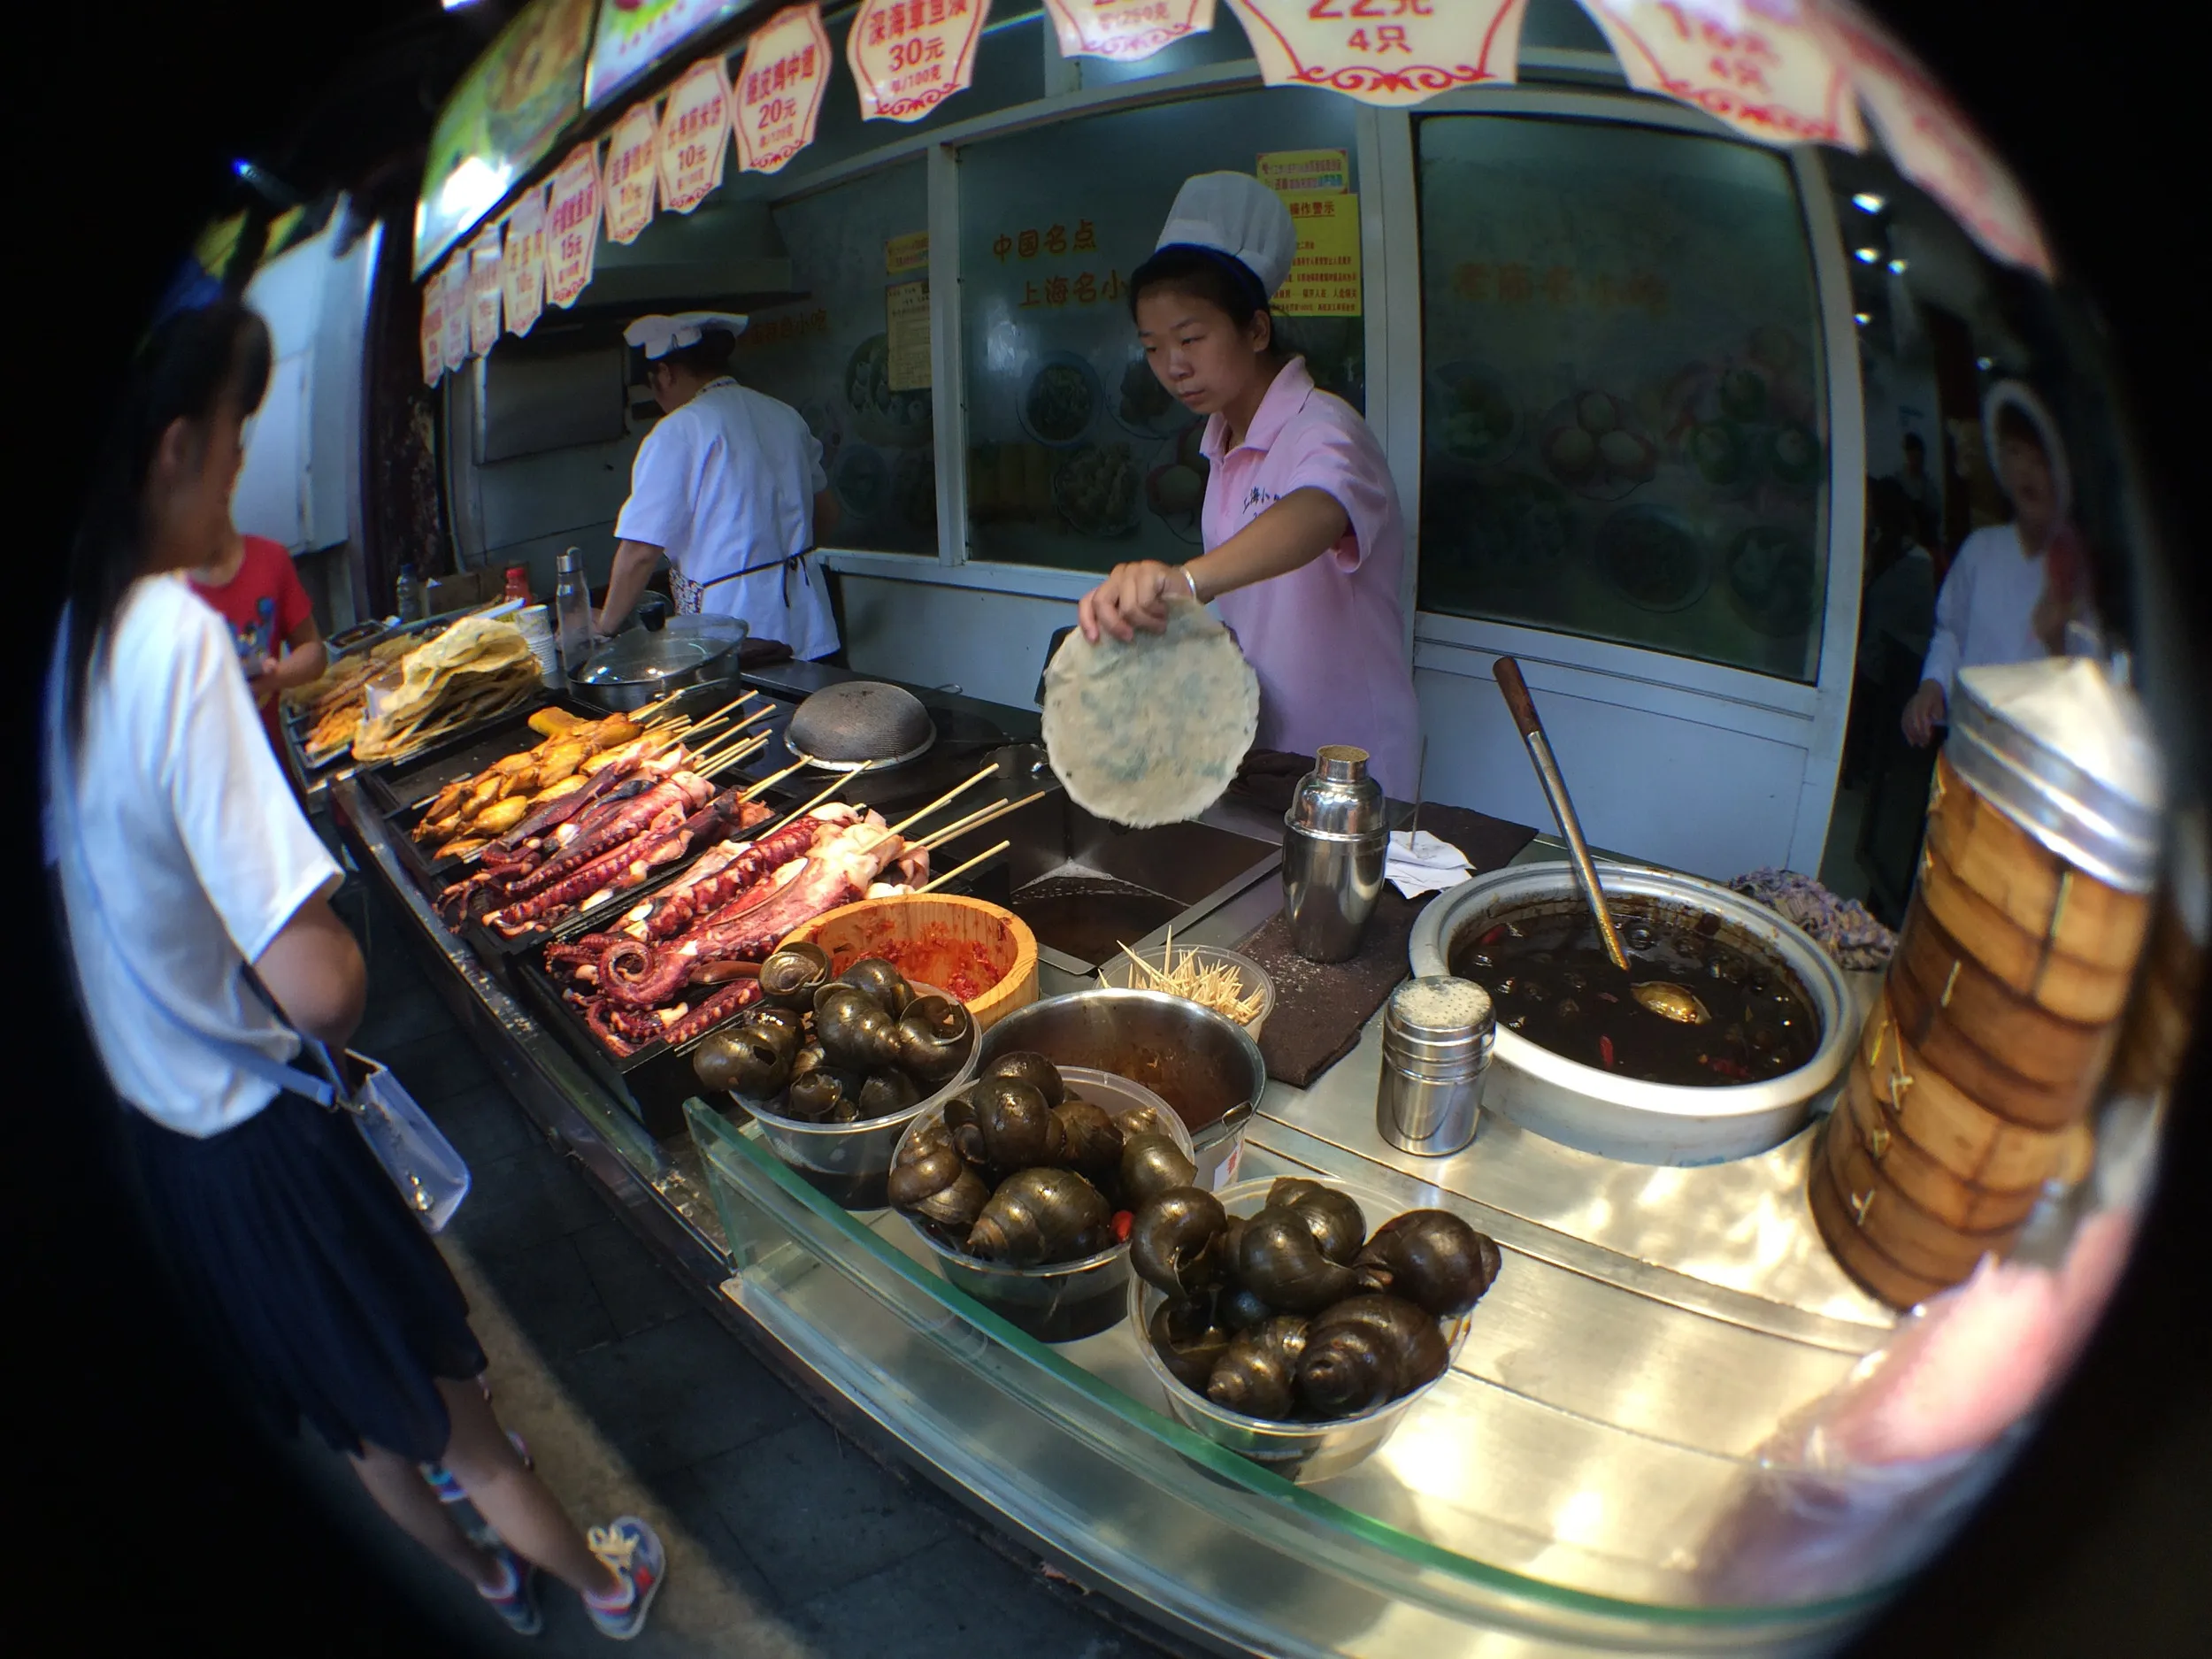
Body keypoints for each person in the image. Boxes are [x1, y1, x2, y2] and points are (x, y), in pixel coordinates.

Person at [42, 298, 665, 1641]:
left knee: (355, 1412)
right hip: (266, 1142)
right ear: (171, 452)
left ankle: (489, 1581)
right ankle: (610, 1587)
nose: (241, 469)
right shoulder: (165, 637)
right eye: (236, 436)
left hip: (169, 1152)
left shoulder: (63, 655)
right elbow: (318, 988)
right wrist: (322, 928)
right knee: (460, 1411)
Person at [1074, 173, 1422, 800]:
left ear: (1257, 331)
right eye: (1153, 347)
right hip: (1264, 751)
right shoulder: (1221, 442)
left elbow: (1315, 512)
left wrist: (1184, 582)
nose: (1173, 366)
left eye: (1191, 338)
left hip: (1351, 763)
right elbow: (1254, 603)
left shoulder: (1325, 427)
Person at [595, 311, 841, 658]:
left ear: (665, 373)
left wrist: (605, 626)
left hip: (736, 634)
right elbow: (827, 513)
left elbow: (640, 552)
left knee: (758, 712)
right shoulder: (784, 415)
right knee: (814, 709)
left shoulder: (678, 430)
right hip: (810, 622)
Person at [1901, 382, 2087, 747]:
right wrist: (1932, 685)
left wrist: (2057, 641)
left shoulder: (2082, 577)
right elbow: (1951, 630)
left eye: (2041, 459)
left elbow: (2092, 692)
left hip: (2030, 765)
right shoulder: (1980, 550)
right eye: (2016, 453)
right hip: (1964, 751)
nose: (2028, 473)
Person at [188, 514, 326, 757]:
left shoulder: (270, 558)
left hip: (277, 762)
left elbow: (314, 652)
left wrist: (274, 677)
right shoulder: (167, 599)